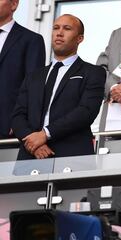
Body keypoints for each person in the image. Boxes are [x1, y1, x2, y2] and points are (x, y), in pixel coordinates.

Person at [11, 14, 106, 160]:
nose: (59, 33)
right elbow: (18, 115)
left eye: (67, 28)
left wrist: (45, 134)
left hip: (72, 155)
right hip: (31, 155)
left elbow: (86, 112)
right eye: (56, 28)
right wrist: (34, 142)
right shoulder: (33, 76)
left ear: (80, 38)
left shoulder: (93, 72)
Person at [0, 0, 45, 139]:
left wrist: (20, 123)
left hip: (6, 127)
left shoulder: (31, 40)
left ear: (14, 4)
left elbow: (33, 87)